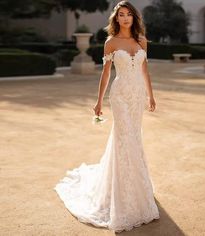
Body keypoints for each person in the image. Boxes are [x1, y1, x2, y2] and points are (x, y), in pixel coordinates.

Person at [54, 0, 160, 233]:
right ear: (116, 18)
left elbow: (145, 70)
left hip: (137, 96)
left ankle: (137, 188)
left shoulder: (142, 40)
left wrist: (151, 96)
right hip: (120, 96)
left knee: (135, 138)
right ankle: (123, 196)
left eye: (128, 15)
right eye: (121, 15)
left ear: (134, 18)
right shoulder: (111, 43)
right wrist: (99, 100)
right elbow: (105, 74)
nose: (125, 18)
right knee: (125, 139)